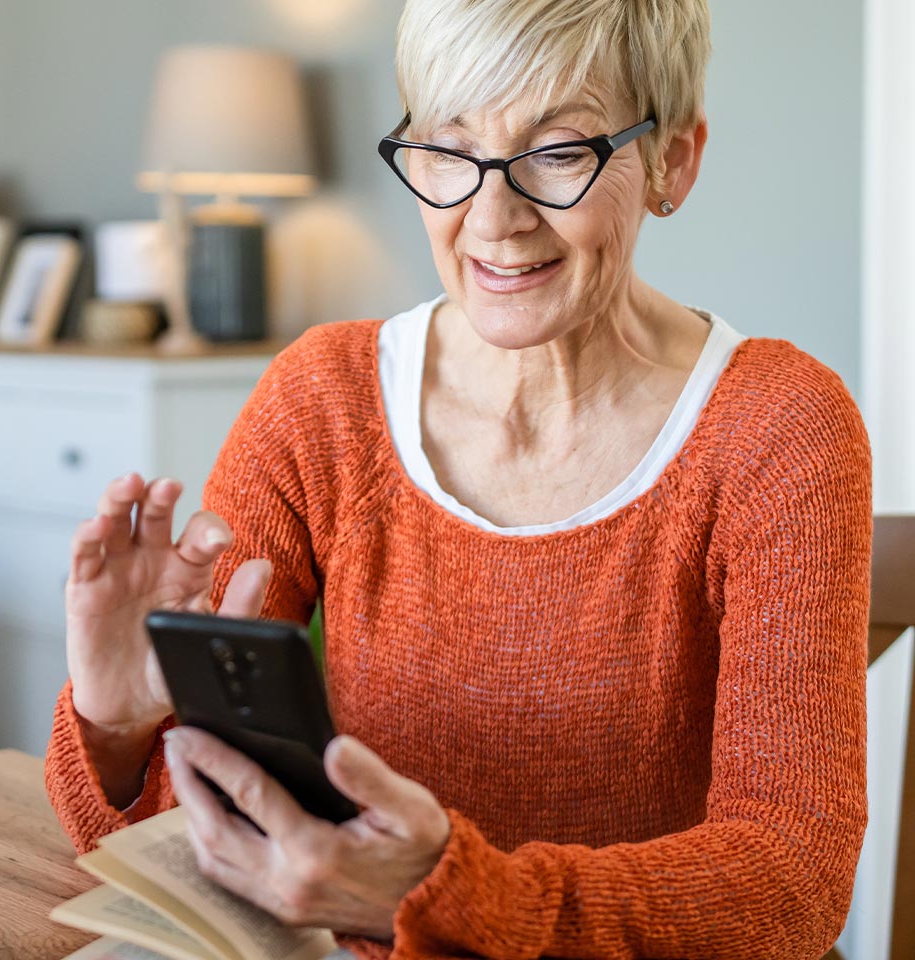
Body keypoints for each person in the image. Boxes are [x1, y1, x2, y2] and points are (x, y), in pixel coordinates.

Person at [46, 0, 871, 956]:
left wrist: (448, 899)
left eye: (559, 152)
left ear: (674, 161)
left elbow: (792, 884)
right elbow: (160, 851)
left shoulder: (779, 429)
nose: (492, 219)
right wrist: (117, 722)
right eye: (448, 148)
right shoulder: (324, 401)